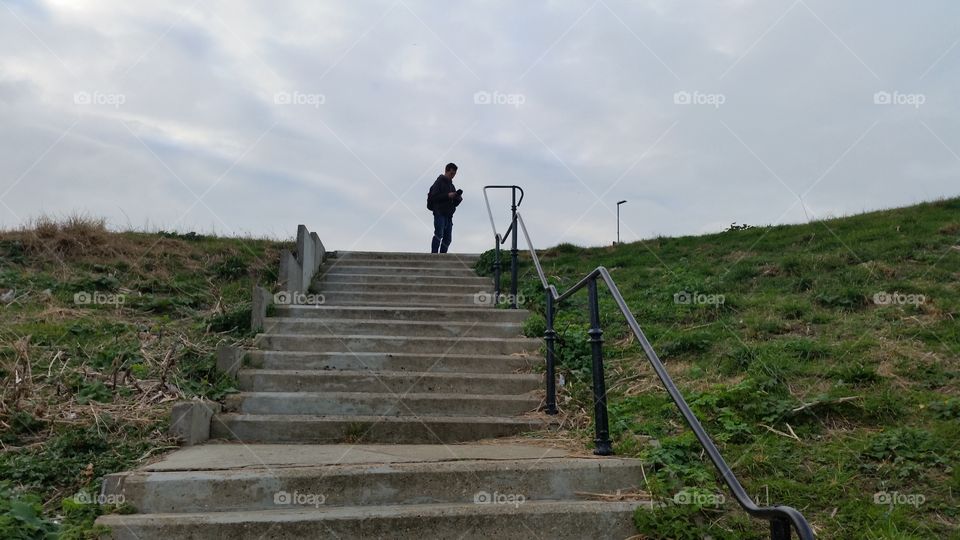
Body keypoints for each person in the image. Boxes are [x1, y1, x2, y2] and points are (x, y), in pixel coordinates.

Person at [428, 163, 462, 253]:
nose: (453, 176)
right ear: (446, 171)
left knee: (447, 239)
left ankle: (443, 255)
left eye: (454, 174)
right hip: (439, 212)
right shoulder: (438, 182)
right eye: (451, 173)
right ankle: (434, 255)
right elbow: (434, 197)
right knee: (439, 234)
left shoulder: (452, 185)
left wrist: (458, 199)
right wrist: (447, 195)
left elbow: (454, 204)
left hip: (449, 215)